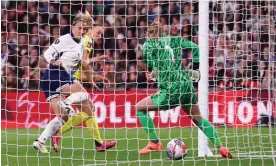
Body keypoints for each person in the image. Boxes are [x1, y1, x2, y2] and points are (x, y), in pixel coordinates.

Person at [136, 20, 232, 158]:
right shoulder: (174, 40)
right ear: (162, 31)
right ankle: (221, 146)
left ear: (147, 32)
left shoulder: (148, 44)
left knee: (139, 108)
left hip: (171, 90)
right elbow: (195, 47)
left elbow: (149, 66)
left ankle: (154, 142)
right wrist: (196, 69)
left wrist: (150, 74)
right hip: (187, 86)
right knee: (198, 119)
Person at [51, 11, 116, 152]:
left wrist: (96, 74)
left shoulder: (82, 39)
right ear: (91, 28)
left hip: (66, 77)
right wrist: (93, 80)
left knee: (89, 110)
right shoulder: (88, 40)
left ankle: (99, 143)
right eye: (98, 32)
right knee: (89, 110)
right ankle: (57, 133)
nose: (99, 36)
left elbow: (82, 66)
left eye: (101, 35)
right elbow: (84, 65)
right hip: (67, 79)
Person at [33, 12, 98, 153]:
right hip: (58, 73)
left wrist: (94, 62)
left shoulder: (81, 42)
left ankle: (40, 141)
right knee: (86, 99)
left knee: (63, 116)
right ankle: (68, 103)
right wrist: (53, 61)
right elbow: (47, 53)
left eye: (84, 29)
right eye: (79, 28)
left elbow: (82, 62)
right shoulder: (64, 39)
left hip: (49, 80)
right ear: (72, 26)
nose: (81, 31)